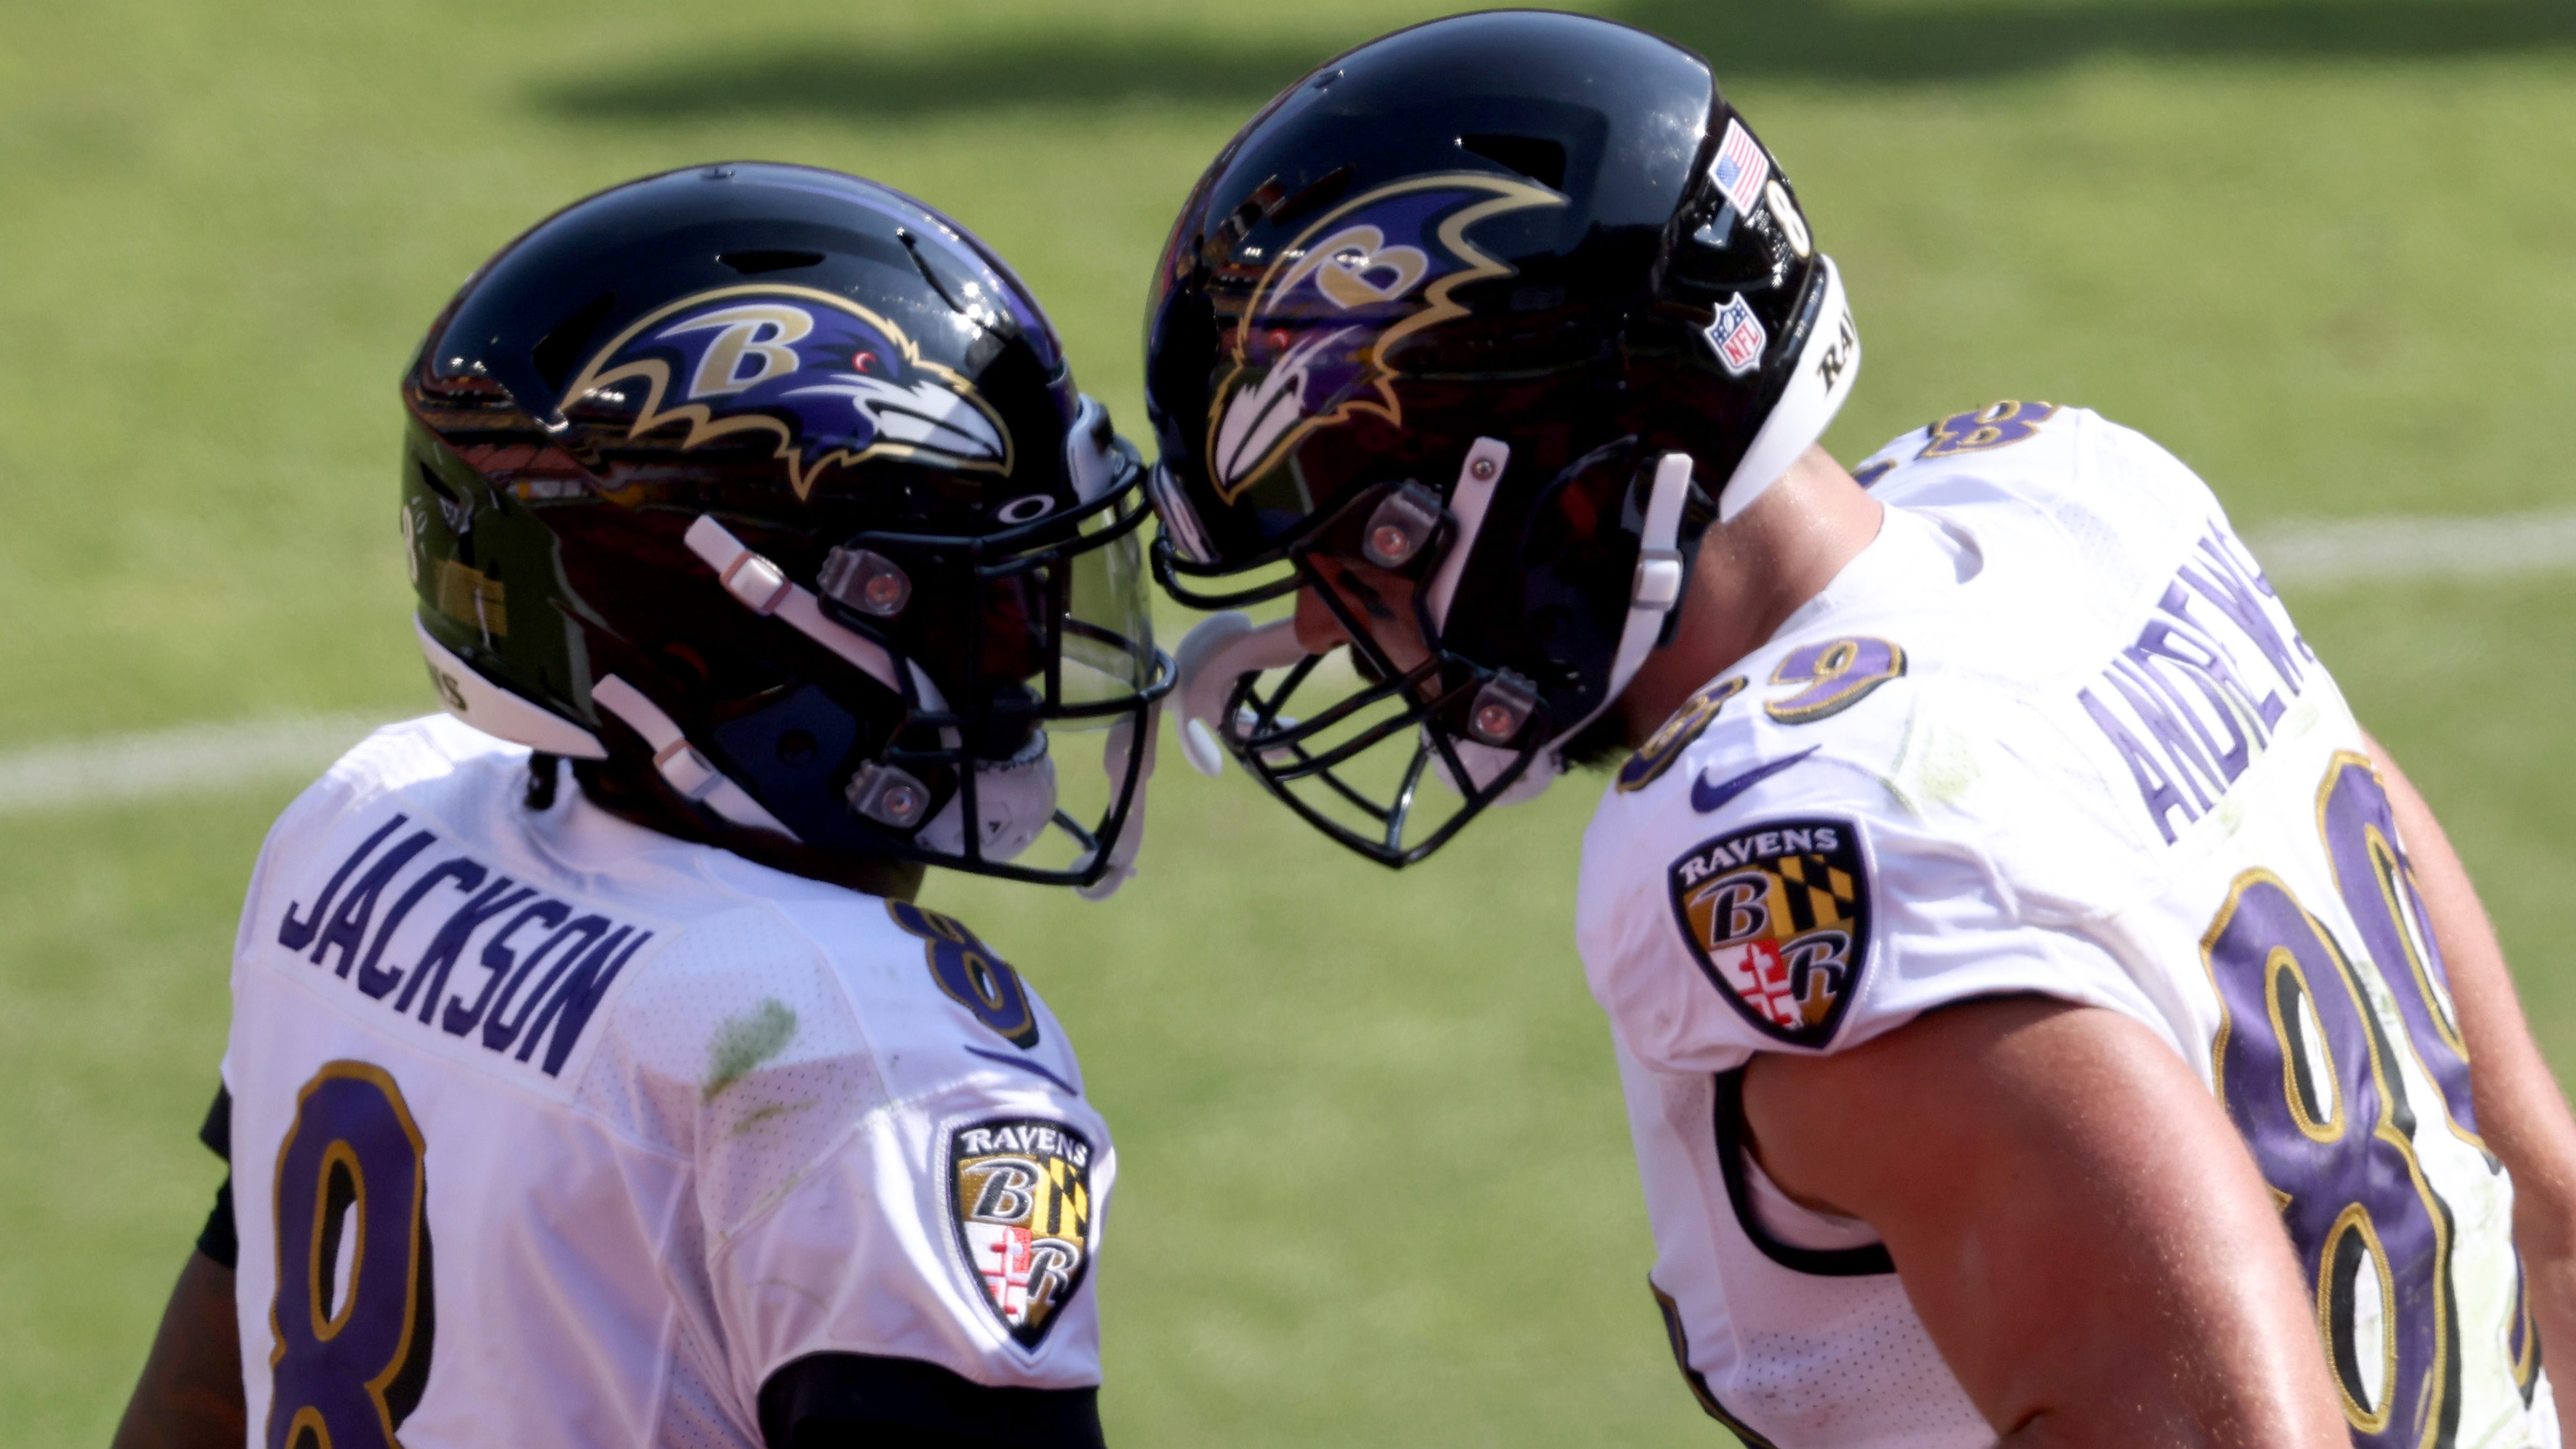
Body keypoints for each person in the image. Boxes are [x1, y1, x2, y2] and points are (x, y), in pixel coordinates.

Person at [1140, 12, 2576, 1446]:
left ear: (1556, 477)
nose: (1326, 625)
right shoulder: (2076, 497)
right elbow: (2545, 1212)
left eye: (1355, 543)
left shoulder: (1782, 834)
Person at [112, 162, 1170, 1449]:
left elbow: (199, 1399)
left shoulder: (369, 828)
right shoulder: (865, 1051)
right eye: (960, 590)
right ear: (727, 627)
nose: (1025, 644)